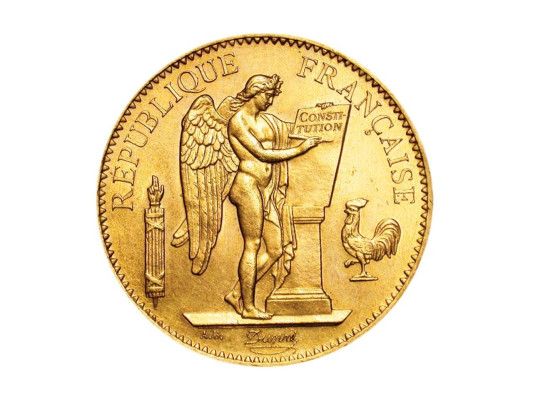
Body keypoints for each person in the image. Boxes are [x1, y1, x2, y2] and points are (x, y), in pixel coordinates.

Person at [223, 74, 324, 319]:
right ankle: (249, 308)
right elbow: (262, 154)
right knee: (253, 244)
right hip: (247, 186)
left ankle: (236, 293)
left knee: (276, 249)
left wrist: (321, 115)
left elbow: (291, 129)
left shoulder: (266, 120)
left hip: (265, 190)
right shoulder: (237, 121)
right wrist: (300, 149)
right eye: (267, 95)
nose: (270, 100)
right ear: (254, 93)